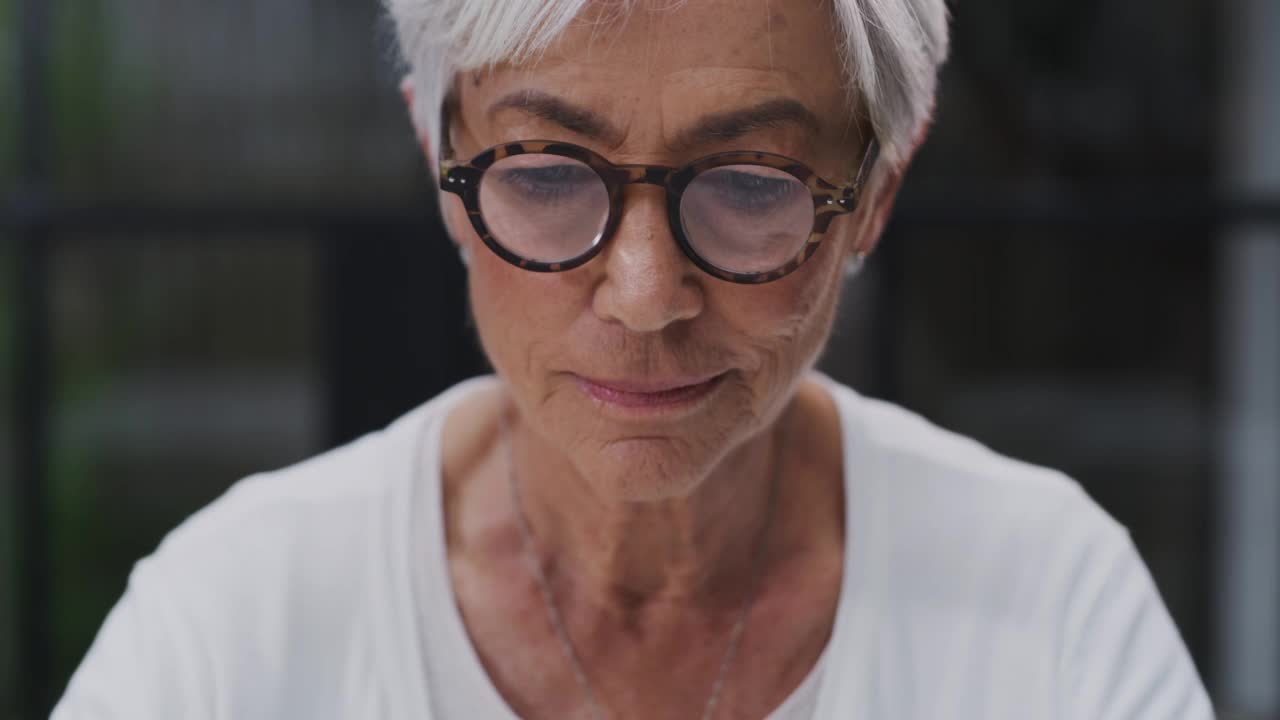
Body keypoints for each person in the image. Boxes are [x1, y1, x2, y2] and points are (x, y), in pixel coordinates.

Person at [52, 0, 1213, 718]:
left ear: (871, 200)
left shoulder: (1044, 603)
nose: (647, 295)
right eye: (548, 176)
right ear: (436, 158)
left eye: (750, 185)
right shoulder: (230, 623)